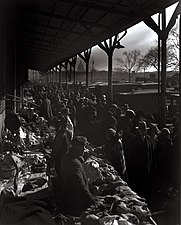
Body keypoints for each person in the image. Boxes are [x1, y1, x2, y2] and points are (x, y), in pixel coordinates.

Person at [56, 136, 96, 216]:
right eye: (83, 146)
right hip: (75, 200)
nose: (84, 149)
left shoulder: (67, 156)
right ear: (77, 147)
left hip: (69, 195)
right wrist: (92, 199)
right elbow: (79, 184)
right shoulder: (74, 163)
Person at [129, 120, 154, 199]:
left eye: (144, 129)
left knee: (147, 184)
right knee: (139, 185)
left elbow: (150, 151)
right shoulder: (134, 140)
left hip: (147, 166)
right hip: (138, 167)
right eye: (140, 129)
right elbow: (132, 156)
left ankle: (147, 198)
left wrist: (151, 162)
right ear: (138, 130)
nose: (142, 131)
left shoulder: (148, 139)